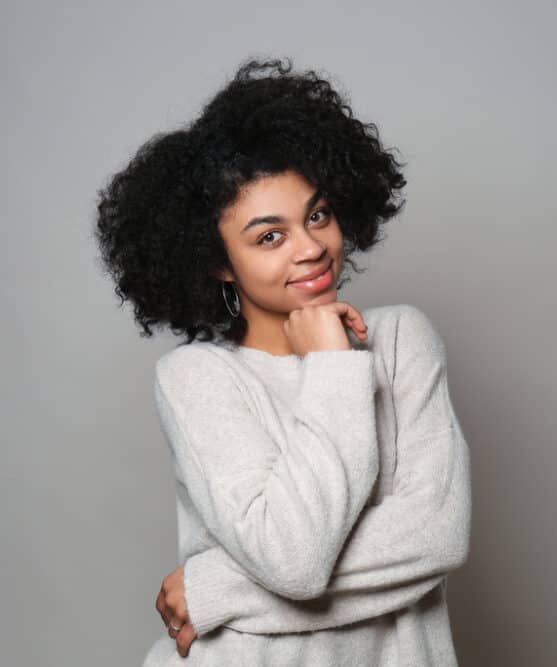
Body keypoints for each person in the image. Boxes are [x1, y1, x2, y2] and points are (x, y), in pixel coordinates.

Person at [94, 56, 472, 666]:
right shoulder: (197, 378)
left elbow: (437, 535)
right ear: (218, 262)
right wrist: (334, 366)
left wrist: (216, 588)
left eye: (317, 215)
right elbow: (294, 557)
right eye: (269, 236)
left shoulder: (402, 342)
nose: (311, 248)